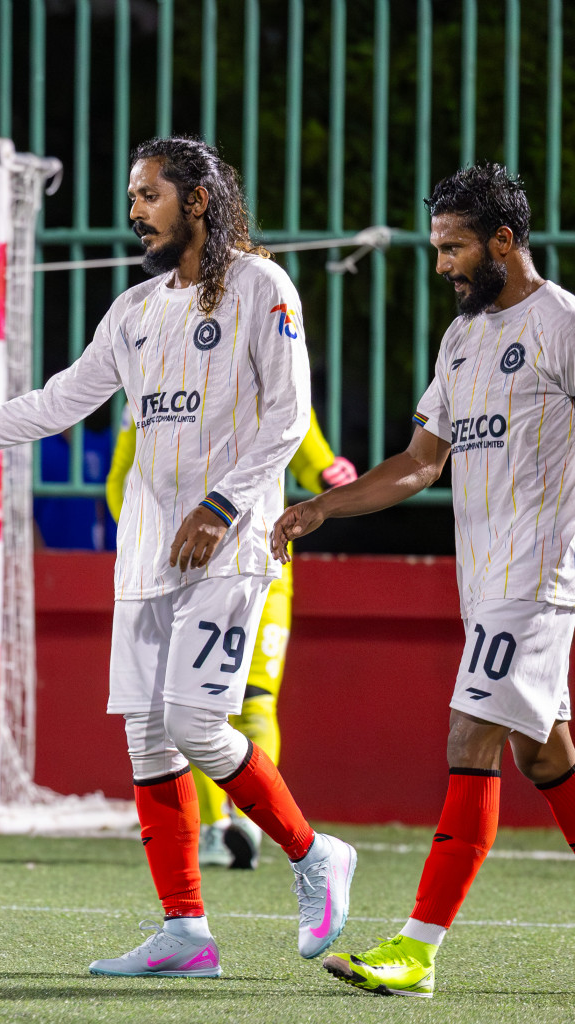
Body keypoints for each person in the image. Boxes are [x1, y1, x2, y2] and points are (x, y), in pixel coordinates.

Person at [0, 136, 356, 979]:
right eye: (131, 198)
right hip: (149, 551)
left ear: (197, 200)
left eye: (149, 195)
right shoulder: (133, 310)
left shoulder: (265, 288)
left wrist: (223, 502)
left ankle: (314, 857)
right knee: (150, 741)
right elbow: (53, 405)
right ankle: (186, 932)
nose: (134, 213)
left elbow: (289, 417)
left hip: (229, 545)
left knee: (197, 724)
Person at [273, 162, 575, 999]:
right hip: (484, 585)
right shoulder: (462, 339)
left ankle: (417, 949)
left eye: (454, 248)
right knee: (543, 753)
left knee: (467, 736)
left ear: (504, 243)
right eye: (438, 247)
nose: (441, 265)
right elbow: (417, 463)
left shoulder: (562, 324)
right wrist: (320, 511)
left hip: (537, 577)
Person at [107, 408, 356, 868]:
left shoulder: (266, 349)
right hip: (182, 569)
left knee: (256, 701)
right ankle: (214, 826)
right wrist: (148, 540)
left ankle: (246, 825)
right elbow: (122, 478)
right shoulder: (147, 380)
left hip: (262, 565)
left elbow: (299, 438)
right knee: (188, 707)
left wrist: (325, 470)